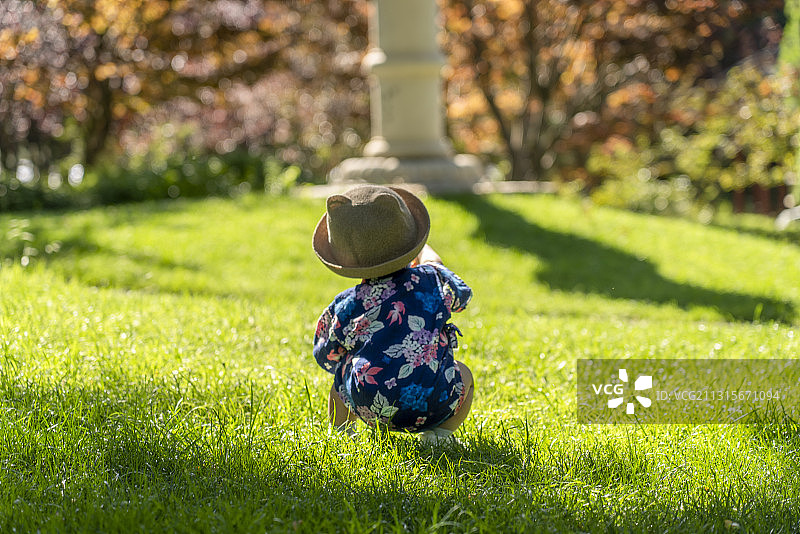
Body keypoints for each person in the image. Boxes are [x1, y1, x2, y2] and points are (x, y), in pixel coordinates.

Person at [311, 185, 475, 443]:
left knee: (341, 376)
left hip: (370, 406)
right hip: (434, 402)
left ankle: (341, 431)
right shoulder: (430, 282)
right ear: (410, 251)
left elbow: (327, 352)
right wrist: (422, 251)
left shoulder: (348, 303)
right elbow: (456, 290)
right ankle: (441, 434)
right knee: (464, 374)